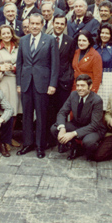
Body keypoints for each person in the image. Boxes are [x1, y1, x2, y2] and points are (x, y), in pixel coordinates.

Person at [16, 13, 59, 158]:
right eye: (31, 24)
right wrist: (18, 84)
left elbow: (55, 64)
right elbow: (20, 63)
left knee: (41, 115)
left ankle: (40, 146)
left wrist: (52, 84)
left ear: (42, 25)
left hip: (43, 83)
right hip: (26, 83)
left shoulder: (50, 40)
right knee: (27, 115)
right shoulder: (23, 40)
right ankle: (27, 143)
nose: (34, 27)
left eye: (37, 24)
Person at [51, 74, 106, 160]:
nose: (79, 88)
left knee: (88, 142)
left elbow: (94, 125)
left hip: (93, 129)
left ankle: (86, 149)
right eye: (78, 85)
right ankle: (74, 146)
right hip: (77, 124)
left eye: (83, 85)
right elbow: (62, 113)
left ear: (90, 86)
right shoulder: (73, 95)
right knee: (55, 128)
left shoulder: (97, 100)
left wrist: (73, 134)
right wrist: (62, 128)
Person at [48, 15, 76, 147]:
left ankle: (62, 141)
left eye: (61, 24)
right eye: (57, 23)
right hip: (48, 82)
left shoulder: (69, 41)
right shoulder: (46, 39)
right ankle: (49, 139)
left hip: (64, 82)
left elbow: (70, 60)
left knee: (62, 112)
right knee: (49, 111)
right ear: (53, 23)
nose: (59, 26)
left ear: (65, 26)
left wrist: (67, 77)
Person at [95, 23, 112, 110]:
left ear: (111, 35)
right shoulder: (96, 47)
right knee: (97, 104)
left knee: (108, 106)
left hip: (109, 78)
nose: (104, 35)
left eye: (107, 33)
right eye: (102, 33)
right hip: (96, 77)